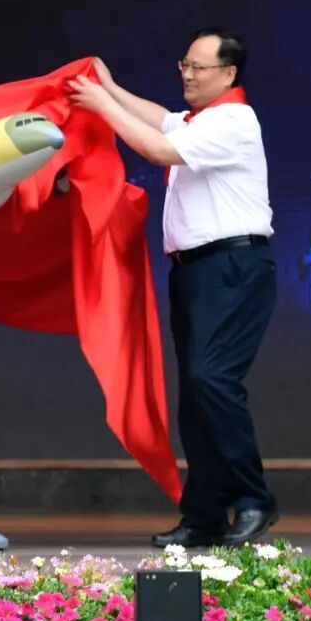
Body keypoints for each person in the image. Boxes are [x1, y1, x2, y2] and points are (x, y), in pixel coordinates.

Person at [67, 30, 278, 548]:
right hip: (195, 271)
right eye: (184, 64)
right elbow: (160, 119)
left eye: (199, 67)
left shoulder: (234, 120)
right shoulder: (198, 120)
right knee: (197, 396)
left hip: (232, 266)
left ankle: (254, 499)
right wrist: (108, 88)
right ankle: (205, 515)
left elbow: (159, 148)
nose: (187, 74)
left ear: (229, 74)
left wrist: (100, 104)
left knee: (213, 381)